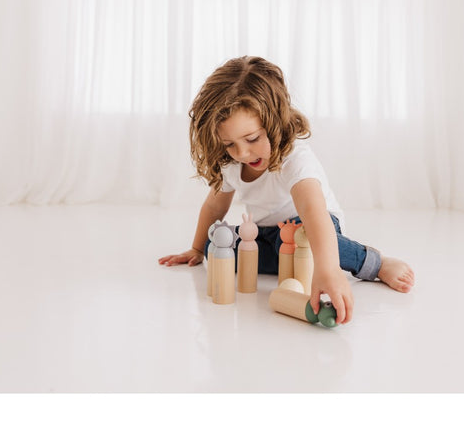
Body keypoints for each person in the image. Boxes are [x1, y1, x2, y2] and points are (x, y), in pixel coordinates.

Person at [158, 56, 414, 324]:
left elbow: (313, 211)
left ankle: (375, 263)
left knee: (298, 237)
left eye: (252, 139)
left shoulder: (294, 157)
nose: (242, 153)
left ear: (274, 121)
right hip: (269, 235)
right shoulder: (233, 164)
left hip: (312, 228)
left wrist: (327, 270)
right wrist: (197, 248)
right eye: (229, 145)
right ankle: (293, 263)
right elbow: (214, 206)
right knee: (217, 245)